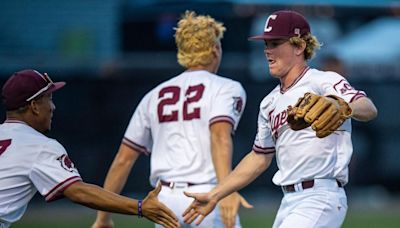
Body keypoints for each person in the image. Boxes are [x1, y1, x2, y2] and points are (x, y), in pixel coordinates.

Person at [182, 10, 378, 228]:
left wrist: (343, 107)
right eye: (266, 44)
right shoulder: (269, 102)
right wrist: (215, 194)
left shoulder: (322, 81)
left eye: (275, 43)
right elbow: (259, 158)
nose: (267, 51)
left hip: (320, 196)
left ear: (299, 46)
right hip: (289, 201)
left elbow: (368, 108)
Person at [92, 10, 251, 228]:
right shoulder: (227, 87)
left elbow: (123, 159)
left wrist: (103, 217)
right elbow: (220, 138)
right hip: (207, 195)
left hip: (164, 201)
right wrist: (227, 190)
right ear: (216, 49)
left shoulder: (154, 95)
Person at [0, 69, 179, 228]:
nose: (53, 107)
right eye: (49, 99)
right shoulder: (39, 146)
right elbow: (78, 192)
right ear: (34, 106)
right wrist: (140, 207)